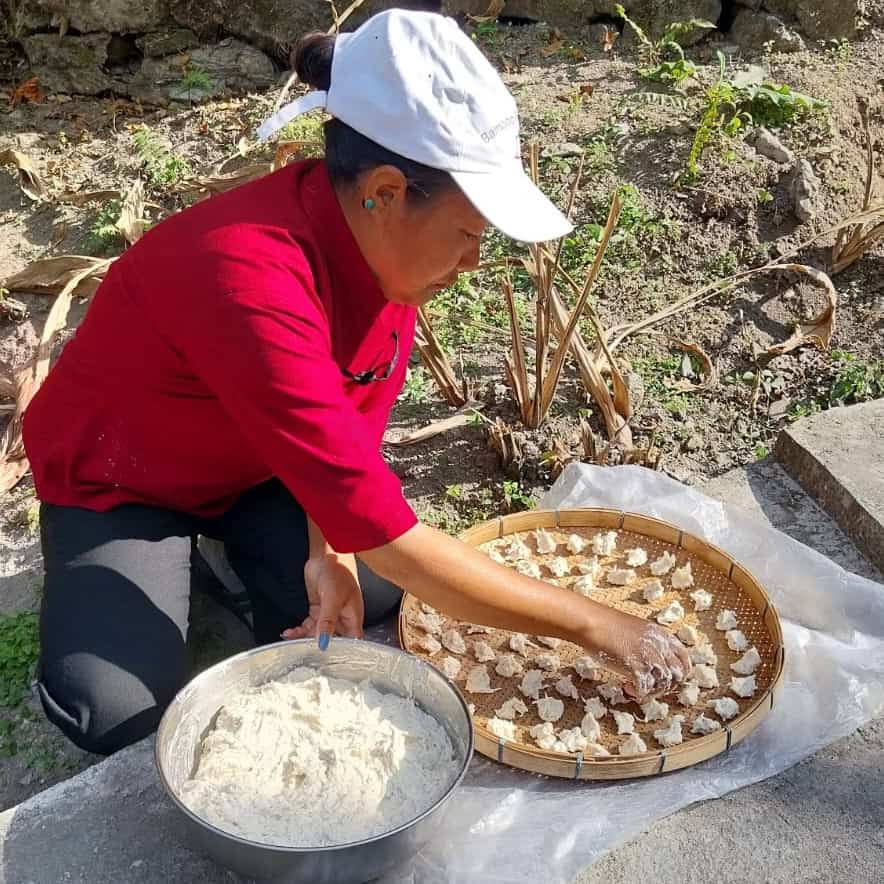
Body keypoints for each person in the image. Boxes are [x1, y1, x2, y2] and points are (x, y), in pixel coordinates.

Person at [22, 9, 689, 756]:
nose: (473, 261)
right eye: (469, 233)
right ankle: (131, 561)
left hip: (256, 463)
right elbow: (391, 528)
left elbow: (351, 439)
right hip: (125, 479)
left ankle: (238, 552)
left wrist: (330, 552)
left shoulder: (383, 263)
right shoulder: (248, 274)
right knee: (116, 712)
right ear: (386, 189)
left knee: (371, 594)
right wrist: (596, 622)